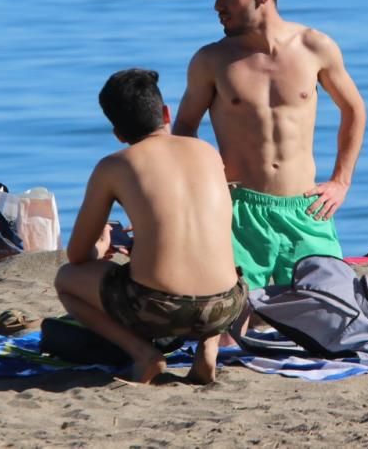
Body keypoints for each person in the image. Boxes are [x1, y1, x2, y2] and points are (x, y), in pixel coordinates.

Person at [172, 0, 367, 290]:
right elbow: (185, 127)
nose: (218, 6)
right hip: (240, 210)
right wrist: (204, 182)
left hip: (306, 210)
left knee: (330, 313)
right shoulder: (211, 60)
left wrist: (341, 181)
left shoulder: (314, 47)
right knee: (235, 316)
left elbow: (354, 109)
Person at [54, 69, 246, 384]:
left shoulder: (114, 165)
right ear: (166, 113)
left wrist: (101, 247)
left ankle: (143, 354)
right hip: (227, 305)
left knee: (66, 279)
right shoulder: (207, 152)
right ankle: (208, 348)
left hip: (157, 309)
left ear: (117, 133)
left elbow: (76, 256)